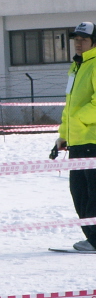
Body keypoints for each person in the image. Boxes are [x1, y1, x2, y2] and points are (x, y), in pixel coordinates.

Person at [56, 21, 96, 252]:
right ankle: (92, 238)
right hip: (78, 142)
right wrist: (63, 135)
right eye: (76, 39)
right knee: (79, 194)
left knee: (93, 196)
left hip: (93, 141)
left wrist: (80, 119)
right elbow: (69, 107)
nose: (78, 44)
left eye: (84, 39)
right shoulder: (77, 66)